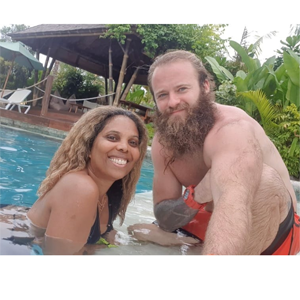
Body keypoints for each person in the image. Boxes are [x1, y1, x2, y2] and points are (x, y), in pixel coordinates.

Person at [128, 50, 300, 255]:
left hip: (272, 232)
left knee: (264, 179)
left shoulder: (232, 129)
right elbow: (164, 218)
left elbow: (233, 203)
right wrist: (197, 195)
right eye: (163, 95)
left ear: (205, 87)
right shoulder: (164, 143)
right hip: (207, 223)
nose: (173, 102)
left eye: (182, 89)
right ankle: (196, 245)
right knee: (137, 230)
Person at [26, 106, 148, 254]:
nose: (124, 147)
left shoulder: (112, 191)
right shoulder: (80, 188)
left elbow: (103, 233)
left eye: (133, 142)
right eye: (112, 137)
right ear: (88, 146)